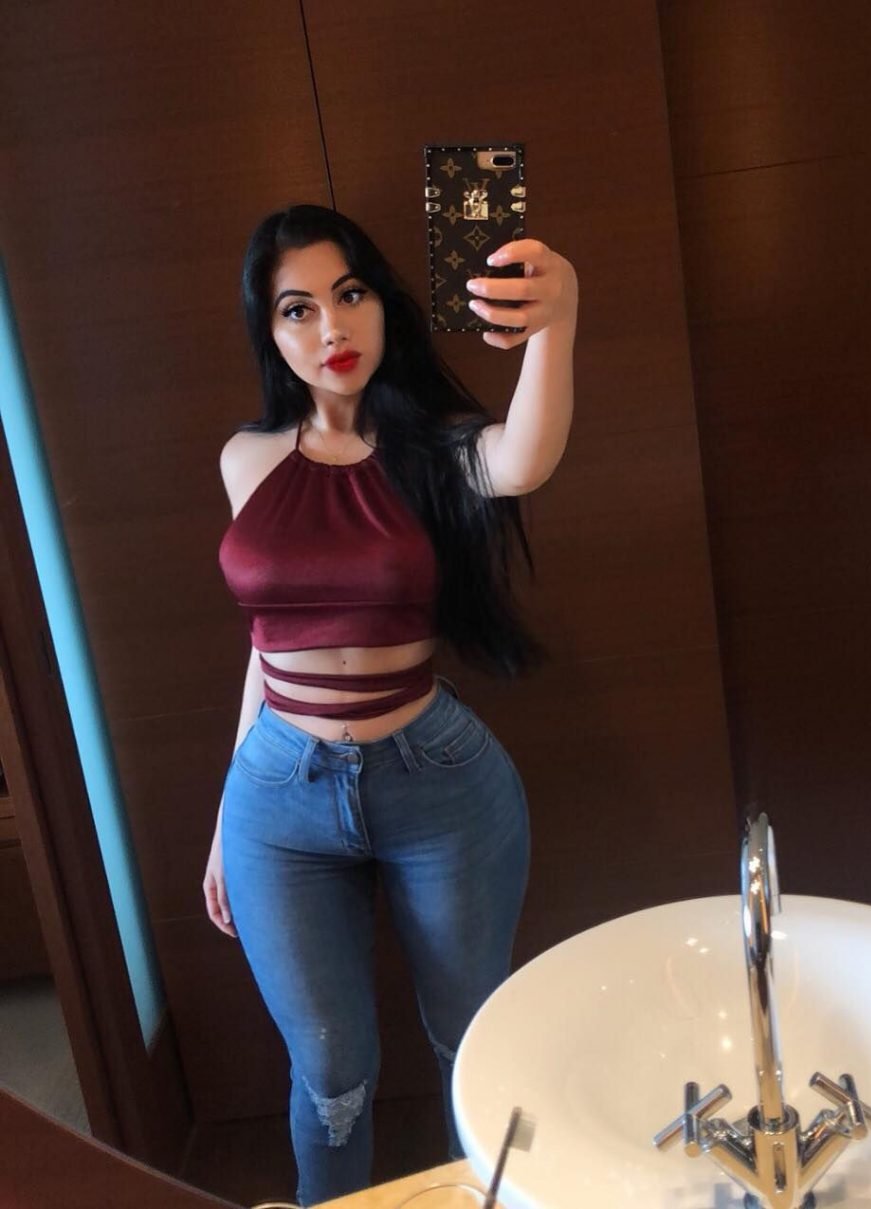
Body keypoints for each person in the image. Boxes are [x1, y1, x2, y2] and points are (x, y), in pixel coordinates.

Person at [204, 203, 577, 1206]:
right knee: (331, 1076)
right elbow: (266, 642)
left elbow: (525, 456)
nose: (331, 327)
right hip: (276, 794)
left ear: (382, 305)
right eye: (298, 309)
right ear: (270, 333)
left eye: (350, 293)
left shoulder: (432, 451)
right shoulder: (247, 460)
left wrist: (557, 317)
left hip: (434, 780)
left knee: (472, 1042)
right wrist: (226, 819)